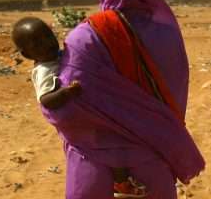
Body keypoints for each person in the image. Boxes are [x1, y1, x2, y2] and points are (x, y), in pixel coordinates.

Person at [43, 0, 204, 198]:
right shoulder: (169, 34)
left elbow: (65, 109)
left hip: (93, 164)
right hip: (152, 157)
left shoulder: (86, 36)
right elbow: (175, 94)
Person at [11, 17, 149, 198]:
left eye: (47, 36)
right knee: (110, 146)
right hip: (79, 122)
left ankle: (121, 181)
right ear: (28, 55)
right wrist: (67, 93)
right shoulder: (43, 70)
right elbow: (45, 99)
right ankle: (121, 184)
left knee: (113, 141)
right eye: (37, 43)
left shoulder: (60, 56)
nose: (46, 44)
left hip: (89, 115)